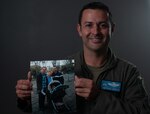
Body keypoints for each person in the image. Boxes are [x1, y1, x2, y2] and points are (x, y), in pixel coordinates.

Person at [15, 2, 150, 114]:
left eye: (103, 25)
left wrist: (98, 97)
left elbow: (142, 112)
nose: (96, 32)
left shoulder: (128, 72)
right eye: (88, 25)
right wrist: (26, 98)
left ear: (112, 29)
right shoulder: (66, 67)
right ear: (79, 30)